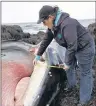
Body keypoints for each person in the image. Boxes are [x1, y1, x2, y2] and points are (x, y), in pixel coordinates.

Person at [33, 5, 95, 106]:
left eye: (44, 22)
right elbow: (46, 41)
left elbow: (72, 45)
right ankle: (71, 86)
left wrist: (67, 62)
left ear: (50, 17)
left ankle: (84, 100)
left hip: (85, 47)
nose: (43, 25)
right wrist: (38, 55)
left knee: (85, 72)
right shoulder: (52, 26)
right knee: (69, 68)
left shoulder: (67, 24)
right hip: (72, 47)